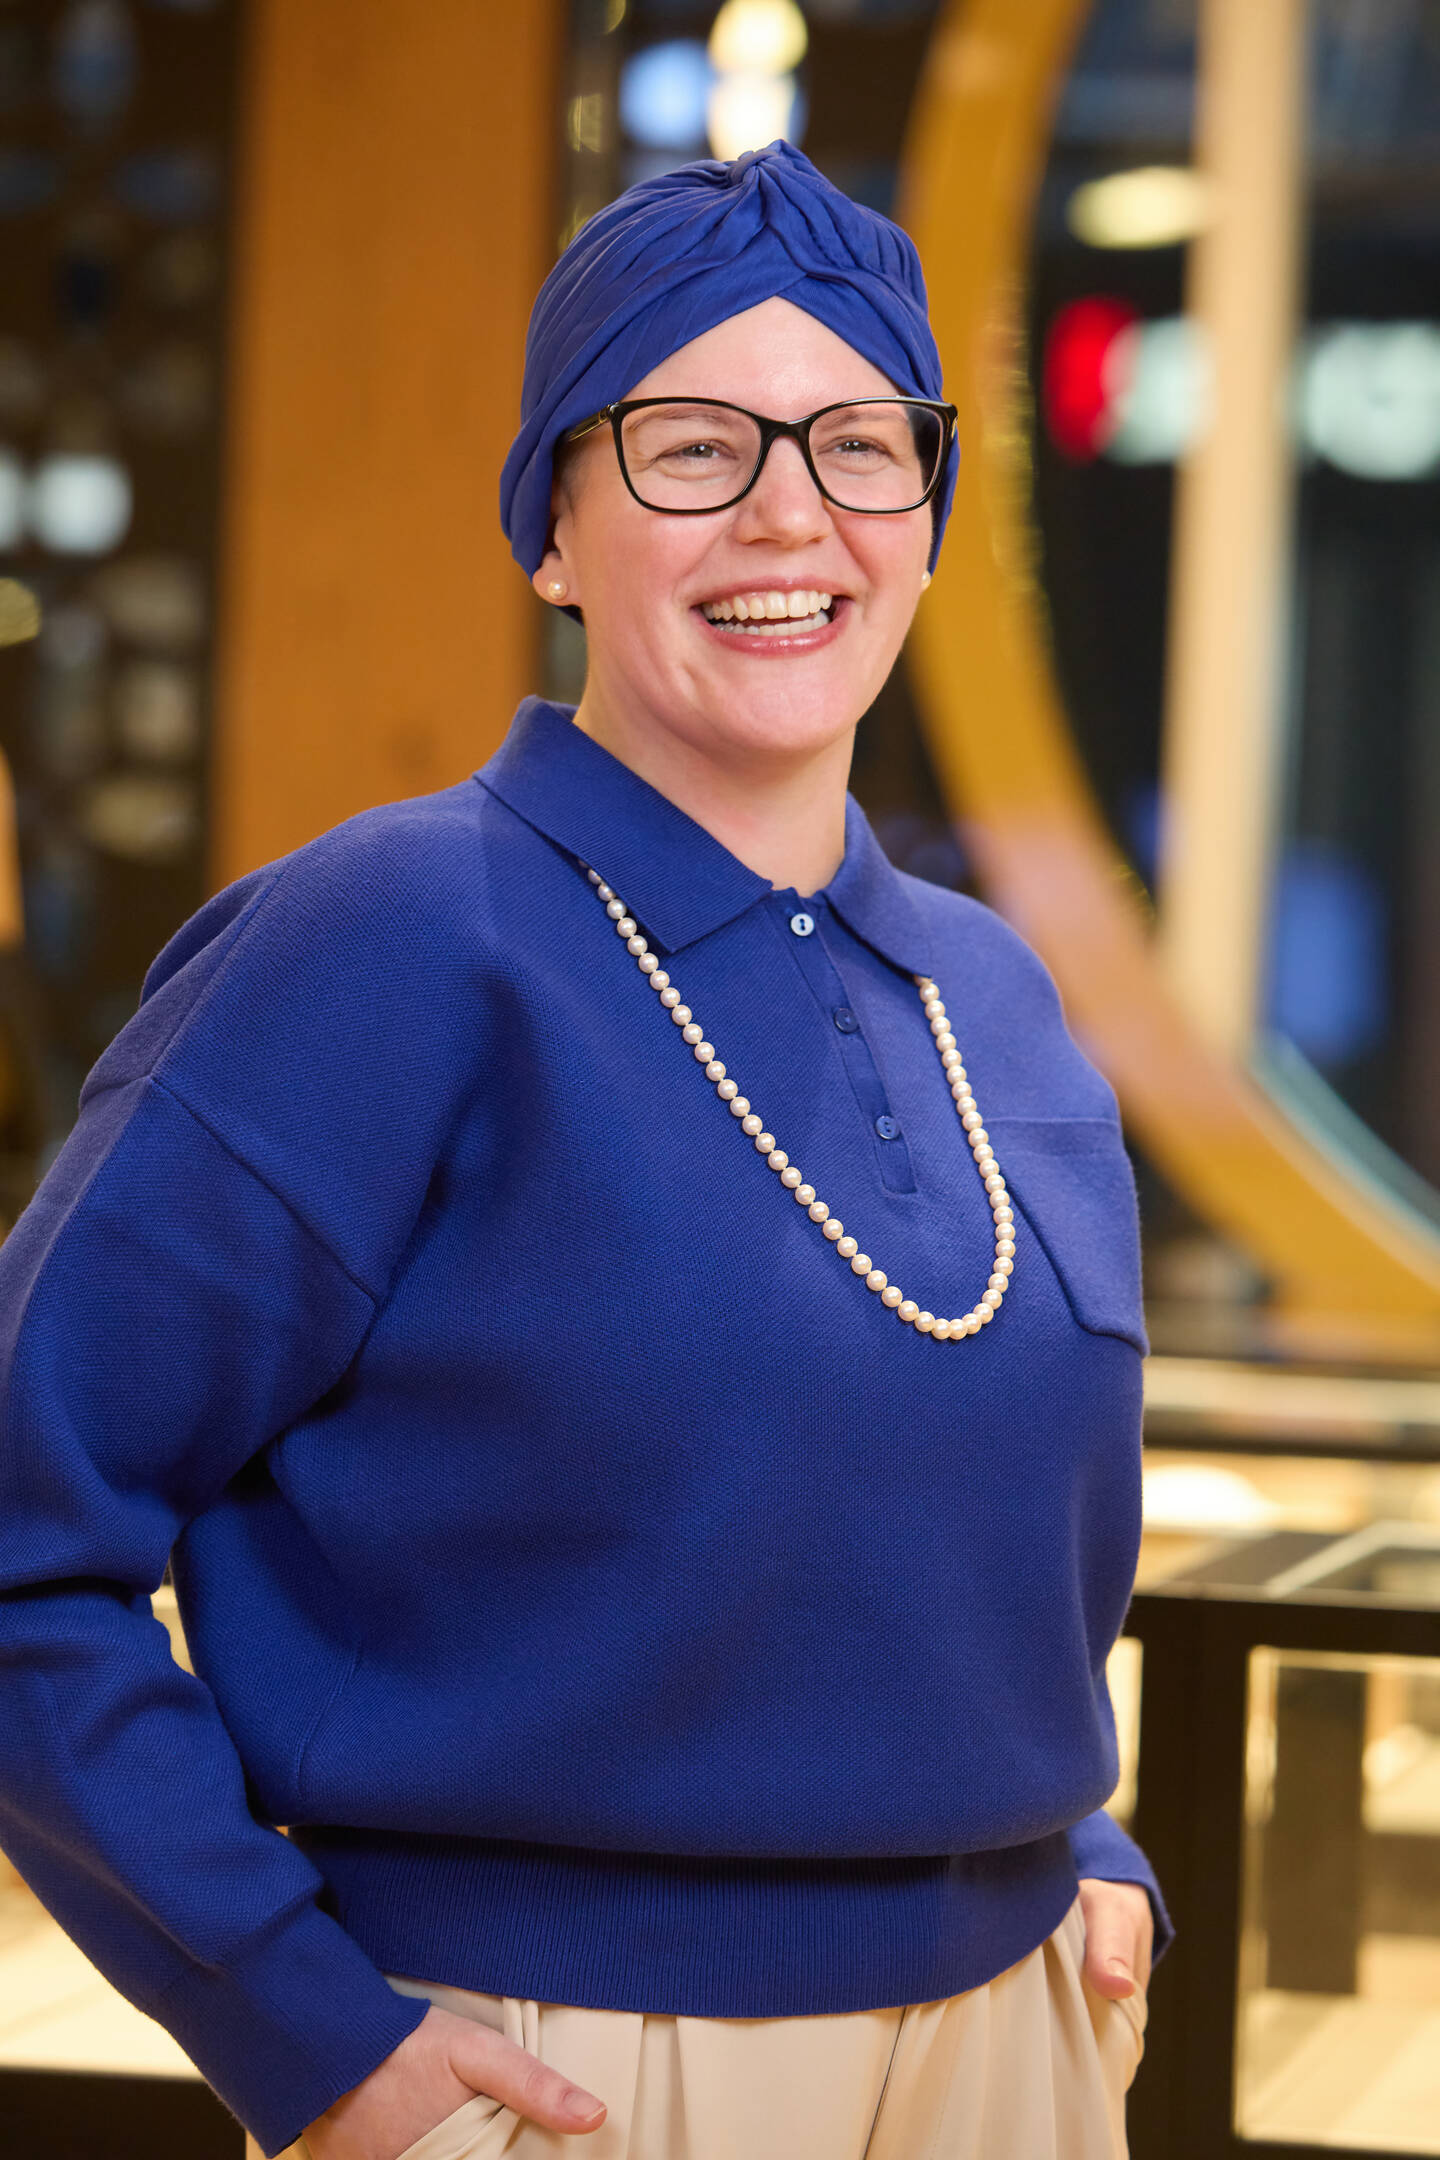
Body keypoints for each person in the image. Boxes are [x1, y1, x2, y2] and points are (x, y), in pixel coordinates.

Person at [0, 143, 1170, 2160]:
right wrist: (295, 2017)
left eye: (858, 444)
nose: (791, 510)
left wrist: (1072, 1831)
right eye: (694, 446)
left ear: (927, 508)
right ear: (554, 524)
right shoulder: (385, 945)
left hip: (1019, 2043)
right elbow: (22, 1533)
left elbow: (916, 1547)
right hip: (584, 2066)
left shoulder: (992, 997)